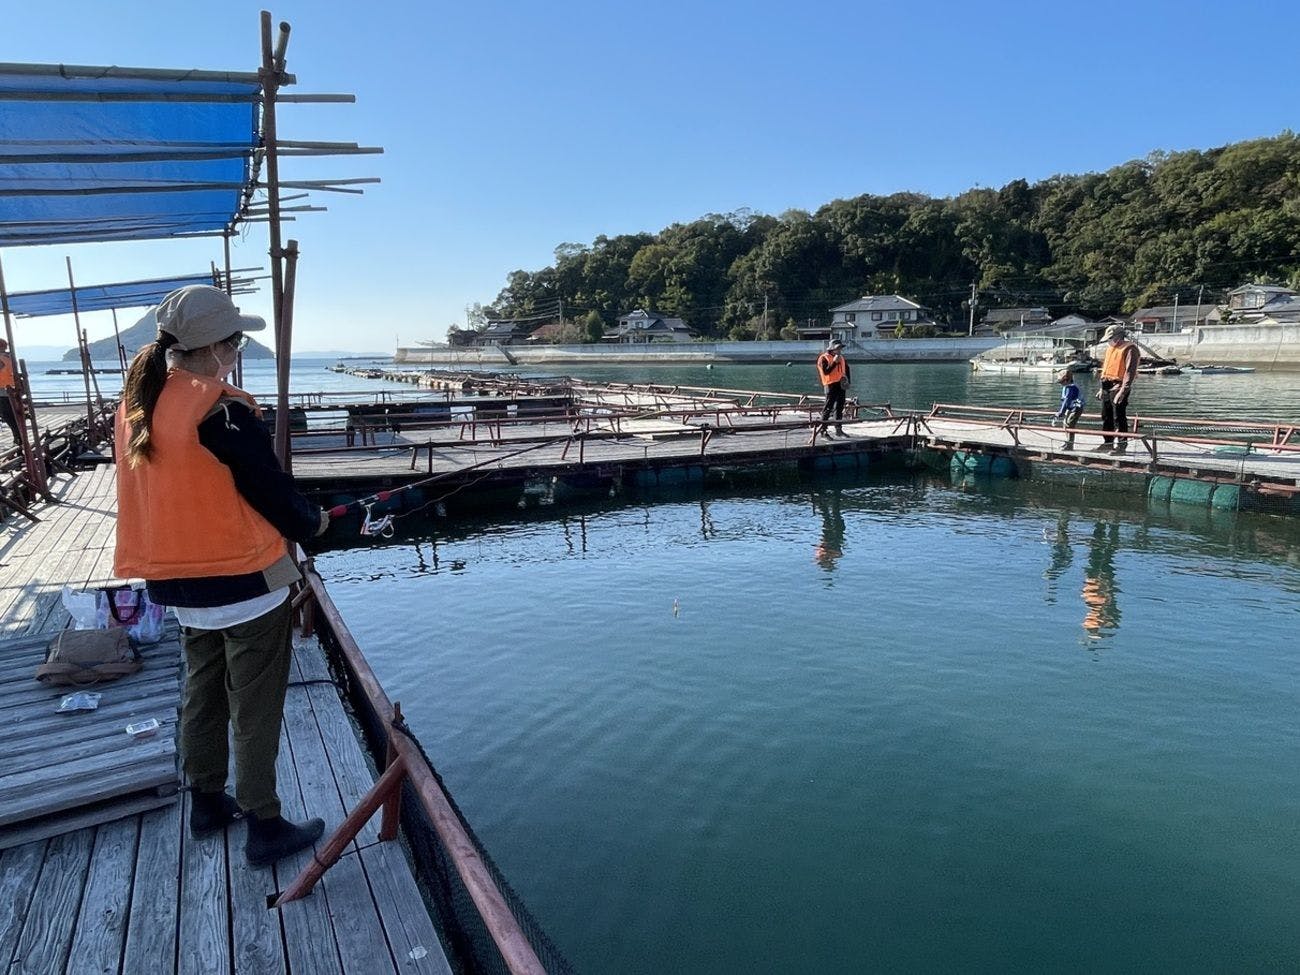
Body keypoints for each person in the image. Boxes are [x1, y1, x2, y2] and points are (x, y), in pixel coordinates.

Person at [113, 285, 330, 867]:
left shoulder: (139, 403)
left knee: (201, 694)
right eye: (235, 339)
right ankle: (264, 822)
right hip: (242, 583)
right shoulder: (223, 410)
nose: (237, 348)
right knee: (254, 706)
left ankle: (206, 802)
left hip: (178, 586)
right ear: (219, 348)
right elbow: (278, 500)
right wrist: (319, 522)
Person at [1094, 324, 1139, 453]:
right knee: (1106, 415)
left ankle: (1121, 445)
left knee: (1118, 416)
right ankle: (1107, 442)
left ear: (1118, 337)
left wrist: (1123, 391)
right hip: (1107, 385)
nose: (1109, 341)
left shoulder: (1130, 349)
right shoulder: (1110, 349)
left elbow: (1129, 372)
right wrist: (1102, 388)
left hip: (1119, 386)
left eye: (1110, 338)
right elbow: (1106, 369)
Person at [815, 338, 851, 438]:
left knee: (839, 407)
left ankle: (838, 429)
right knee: (828, 408)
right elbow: (826, 371)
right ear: (831, 349)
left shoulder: (841, 357)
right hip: (830, 385)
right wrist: (834, 362)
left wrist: (848, 381)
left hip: (841, 384)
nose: (839, 350)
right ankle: (823, 431)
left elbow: (847, 369)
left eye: (840, 348)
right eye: (837, 348)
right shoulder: (824, 358)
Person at [1050, 369, 1084, 450]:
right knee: (1065, 424)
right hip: (1070, 407)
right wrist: (1062, 411)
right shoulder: (1067, 386)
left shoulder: (1070, 388)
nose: (1060, 384)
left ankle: (1070, 444)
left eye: (1061, 382)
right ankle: (1068, 441)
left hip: (1076, 408)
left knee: (1069, 424)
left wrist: (1061, 412)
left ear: (1066, 380)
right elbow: (1065, 401)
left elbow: (1067, 400)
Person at [0, 338, 21, 444]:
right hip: (12, 388)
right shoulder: (10, 357)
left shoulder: (1, 358)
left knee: (7, 415)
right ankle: (18, 436)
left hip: (4, 390)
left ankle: (17, 436)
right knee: (13, 415)